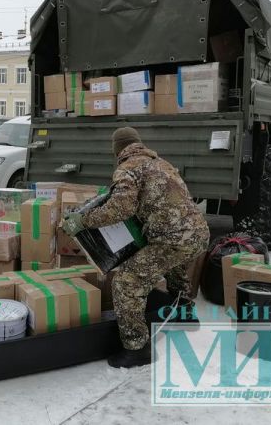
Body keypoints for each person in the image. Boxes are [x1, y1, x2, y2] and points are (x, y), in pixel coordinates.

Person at [62, 127, 209, 368]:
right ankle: (185, 314)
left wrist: (82, 221)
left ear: (117, 149)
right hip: (198, 235)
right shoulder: (161, 163)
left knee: (126, 282)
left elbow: (120, 209)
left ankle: (137, 348)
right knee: (174, 267)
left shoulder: (127, 168)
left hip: (171, 239)